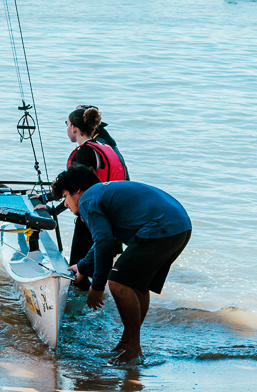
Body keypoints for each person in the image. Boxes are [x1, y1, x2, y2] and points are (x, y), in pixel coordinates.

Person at [55, 164, 191, 366]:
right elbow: (105, 240)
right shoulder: (102, 194)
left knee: (117, 282)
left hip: (161, 228)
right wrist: (82, 267)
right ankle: (128, 343)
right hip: (180, 227)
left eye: (65, 197)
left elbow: (104, 242)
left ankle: (134, 349)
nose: (65, 204)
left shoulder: (87, 200)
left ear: (77, 191)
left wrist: (97, 285)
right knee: (138, 286)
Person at [53, 106, 129, 273]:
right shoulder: (106, 147)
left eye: (67, 124)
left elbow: (76, 188)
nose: (67, 128)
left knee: (77, 270)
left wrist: (52, 208)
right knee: (101, 269)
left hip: (92, 217)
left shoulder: (84, 152)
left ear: (74, 128)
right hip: (114, 217)